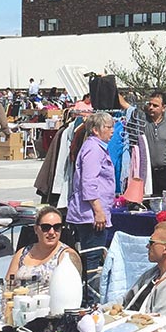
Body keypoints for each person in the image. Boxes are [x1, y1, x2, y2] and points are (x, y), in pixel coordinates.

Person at [67, 112, 116, 305]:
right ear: (95, 130)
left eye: (112, 127)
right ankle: (88, 302)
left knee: (92, 257)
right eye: (107, 127)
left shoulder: (95, 147)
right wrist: (98, 210)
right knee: (92, 258)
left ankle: (88, 299)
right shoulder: (94, 149)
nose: (112, 131)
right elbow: (88, 182)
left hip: (91, 212)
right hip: (90, 214)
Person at [143, 91, 166, 196]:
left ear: (163, 108)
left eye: (155, 105)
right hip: (148, 172)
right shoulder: (142, 122)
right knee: (149, 203)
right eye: (149, 104)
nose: (151, 107)